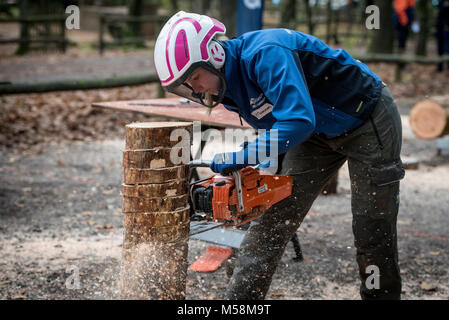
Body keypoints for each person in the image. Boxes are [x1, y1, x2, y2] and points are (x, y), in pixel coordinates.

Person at [154, 11, 405, 300]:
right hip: (316, 136)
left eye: (195, 77)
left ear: (213, 53)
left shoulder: (266, 54)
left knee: (371, 226)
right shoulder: (227, 85)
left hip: (367, 118)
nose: (195, 89)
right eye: (187, 84)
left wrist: (245, 155)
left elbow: (298, 120)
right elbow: (287, 123)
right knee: (271, 223)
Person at [436, 0, 449, 72]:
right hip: (440, 28)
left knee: (447, 48)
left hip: (446, 29)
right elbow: (435, 5)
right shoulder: (440, 2)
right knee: (440, 49)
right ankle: (439, 67)